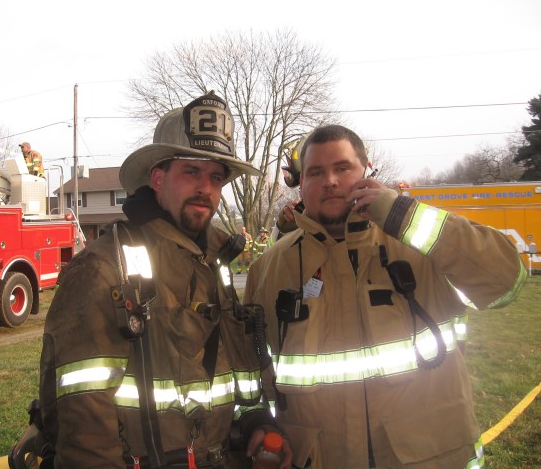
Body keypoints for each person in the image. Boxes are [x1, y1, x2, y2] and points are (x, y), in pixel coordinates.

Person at [244, 124, 526, 468]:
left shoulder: (421, 243)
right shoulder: (268, 270)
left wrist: (402, 215)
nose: (330, 180)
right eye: (316, 172)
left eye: (342, 168)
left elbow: (505, 282)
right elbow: (251, 373)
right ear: (301, 184)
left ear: (366, 171)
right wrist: (262, 428)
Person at [38, 92, 292, 469]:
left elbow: (230, 370)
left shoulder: (215, 265)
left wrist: (253, 422)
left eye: (216, 177)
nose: (206, 188)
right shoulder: (104, 268)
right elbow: (83, 422)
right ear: (157, 178)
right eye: (192, 172)